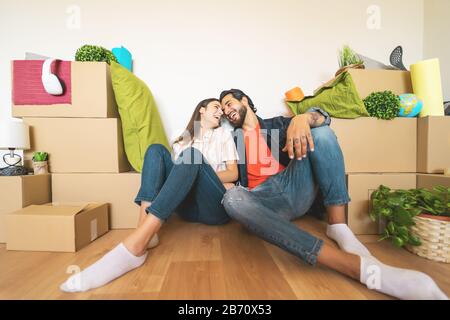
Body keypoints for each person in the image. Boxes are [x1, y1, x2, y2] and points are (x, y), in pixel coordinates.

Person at [219, 88, 448, 300]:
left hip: (294, 184)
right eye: (223, 108)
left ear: (245, 101)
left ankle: (338, 226)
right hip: (263, 198)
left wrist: (303, 118)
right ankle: (355, 267)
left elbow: (324, 117)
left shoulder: (277, 123)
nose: (227, 110)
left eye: (229, 103)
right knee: (232, 199)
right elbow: (227, 172)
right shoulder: (231, 140)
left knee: (322, 134)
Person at [60, 98, 239, 292]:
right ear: (202, 110)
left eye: (222, 109)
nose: (221, 112)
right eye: (216, 107)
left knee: (192, 156)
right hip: (187, 208)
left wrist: (199, 173)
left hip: (212, 205)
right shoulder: (182, 139)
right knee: (155, 150)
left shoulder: (224, 135)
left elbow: (233, 173)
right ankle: (145, 231)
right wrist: (189, 170)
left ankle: (136, 245)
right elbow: (177, 178)